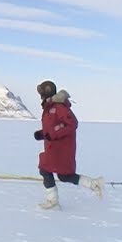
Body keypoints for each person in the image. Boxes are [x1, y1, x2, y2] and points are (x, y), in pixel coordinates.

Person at [34, 80, 104, 209]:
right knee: (62, 175)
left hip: (62, 148)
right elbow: (53, 127)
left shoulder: (58, 107)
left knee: (48, 170)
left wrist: (52, 134)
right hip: (54, 148)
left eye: (41, 92)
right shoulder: (50, 107)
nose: (40, 95)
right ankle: (94, 184)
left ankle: (53, 202)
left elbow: (71, 123)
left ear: (47, 92)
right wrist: (42, 133)